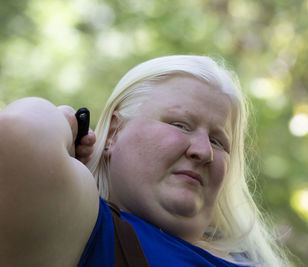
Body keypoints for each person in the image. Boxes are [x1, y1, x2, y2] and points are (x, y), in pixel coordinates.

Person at [0, 55, 291, 266]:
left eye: (218, 140)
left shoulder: (250, 258)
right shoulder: (89, 230)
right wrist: (64, 119)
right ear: (114, 131)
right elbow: (20, 131)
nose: (204, 151)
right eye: (180, 124)